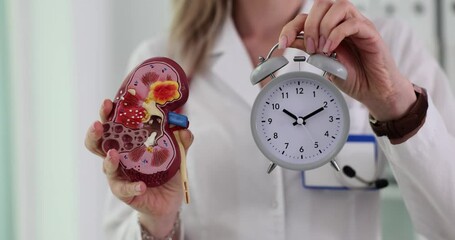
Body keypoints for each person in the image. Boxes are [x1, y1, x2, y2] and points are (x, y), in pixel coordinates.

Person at [85, 0, 455, 239]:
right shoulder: (160, 65)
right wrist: (158, 225)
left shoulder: (386, 45)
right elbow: (119, 228)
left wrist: (395, 104)